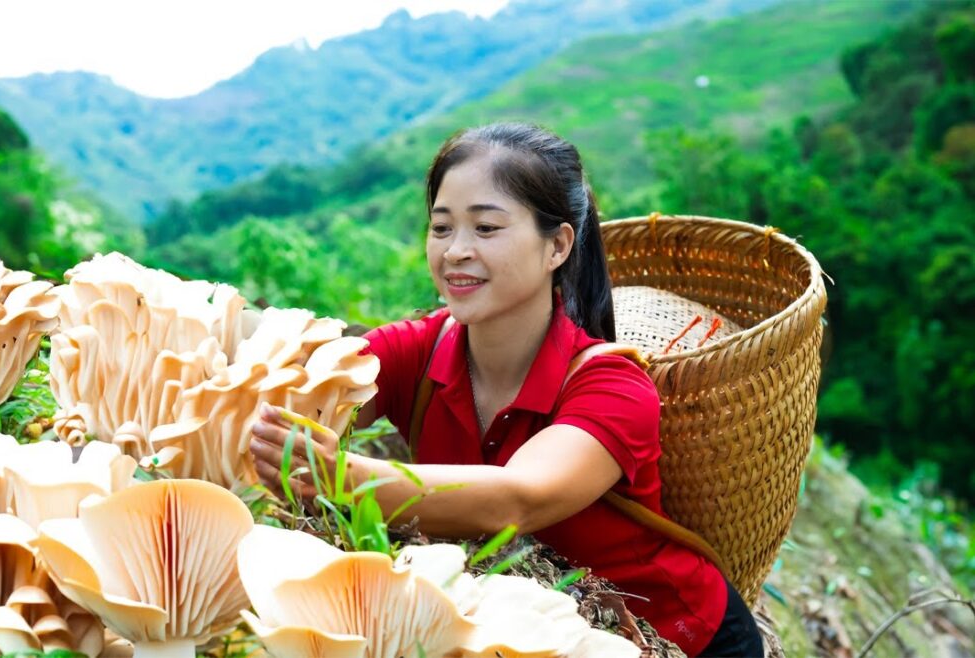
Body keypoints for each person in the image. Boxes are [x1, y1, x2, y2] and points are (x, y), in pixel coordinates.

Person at [249, 122, 764, 658]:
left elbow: (520, 498)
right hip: (528, 629)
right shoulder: (416, 351)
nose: (455, 252)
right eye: (442, 228)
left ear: (557, 246)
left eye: (486, 228)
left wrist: (342, 477)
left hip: (679, 636)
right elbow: (314, 386)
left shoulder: (612, 385)